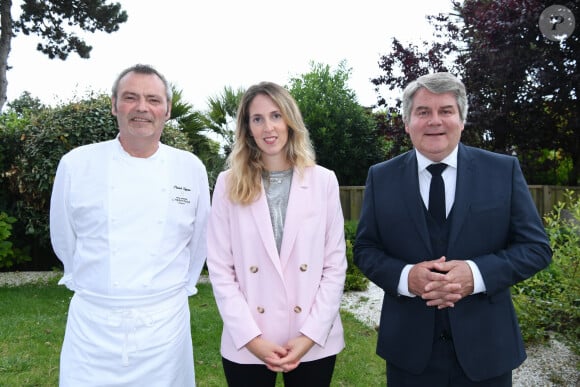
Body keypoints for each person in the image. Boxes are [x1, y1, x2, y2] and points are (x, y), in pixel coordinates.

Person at [354, 72, 552, 386]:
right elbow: (365, 250)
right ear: (408, 122)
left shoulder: (502, 171)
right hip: (409, 354)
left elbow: (536, 248)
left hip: (488, 351)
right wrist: (408, 278)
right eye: (423, 112)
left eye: (446, 111)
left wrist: (476, 275)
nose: (435, 121)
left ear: (461, 119)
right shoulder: (381, 177)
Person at [49, 64, 210, 386]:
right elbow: (64, 239)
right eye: (130, 97)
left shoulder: (189, 167)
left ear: (167, 109)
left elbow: (199, 243)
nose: (141, 108)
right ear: (114, 105)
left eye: (153, 99)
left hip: (165, 325)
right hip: (93, 325)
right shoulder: (76, 164)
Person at [206, 81, 347, 387]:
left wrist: (309, 335)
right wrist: (252, 339)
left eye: (275, 116)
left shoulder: (323, 181)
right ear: (247, 128)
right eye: (257, 119)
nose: (268, 127)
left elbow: (334, 266)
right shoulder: (228, 183)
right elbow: (219, 268)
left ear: (290, 121)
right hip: (249, 338)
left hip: (312, 338)